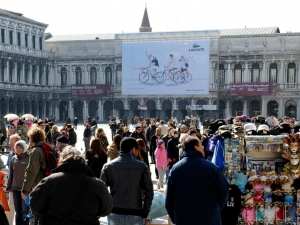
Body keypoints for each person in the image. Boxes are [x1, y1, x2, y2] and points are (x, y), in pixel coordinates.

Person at [30, 147, 113, 225]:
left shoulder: (49, 182)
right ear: (83, 161)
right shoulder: (97, 185)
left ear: (61, 161)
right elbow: (106, 210)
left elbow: (35, 208)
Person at [165, 136, 229, 225]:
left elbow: (169, 201)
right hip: (209, 218)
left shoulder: (175, 169)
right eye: (201, 145)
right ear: (195, 147)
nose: (203, 147)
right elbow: (224, 192)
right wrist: (215, 208)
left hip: (184, 219)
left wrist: (176, 218)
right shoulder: (211, 168)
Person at [100, 137, 154, 225]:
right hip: (135, 211)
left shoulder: (108, 166)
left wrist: (105, 209)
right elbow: (149, 191)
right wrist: (145, 212)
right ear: (133, 149)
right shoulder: (141, 166)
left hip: (114, 211)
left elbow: (101, 190)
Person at [6, 140, 30, 225]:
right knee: (18, 211)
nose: (18, 149)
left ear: (24, 148)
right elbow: (11, 173)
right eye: (17, 147)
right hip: (15, 188)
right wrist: (8, 186)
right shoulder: (13, 158)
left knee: (25, 212)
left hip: (25, 189)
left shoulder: (29, 158)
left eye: (20, 147)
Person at [21, 126, 47, 200]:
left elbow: (32, 172)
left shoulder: (36, 151)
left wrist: (25, 190)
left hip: (39, 184)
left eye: (29, 138)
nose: (29, 140)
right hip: (45, 183)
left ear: (33, 138)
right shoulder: (44, 147)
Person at [6, 134, 21, 224]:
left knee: (20, 209)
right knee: (10, 206)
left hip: (20, 186)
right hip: (12, 185)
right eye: (9, 142)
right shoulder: (10, 155)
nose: (9, 143)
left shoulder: (23, 155)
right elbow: (9, 170)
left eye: (11, 142)